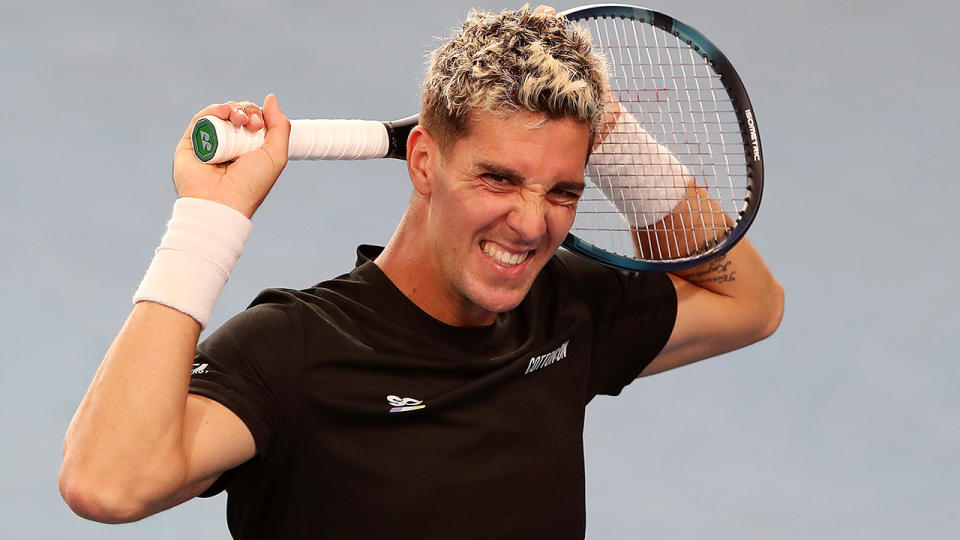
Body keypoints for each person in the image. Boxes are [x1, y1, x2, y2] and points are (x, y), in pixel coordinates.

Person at [59, 5, 783, 539]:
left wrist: (614, 136)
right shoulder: (294, 349)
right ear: (424, 162)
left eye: (563, 189)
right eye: (499, 179)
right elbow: (107, 483)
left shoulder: (565, 308)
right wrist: (207, 222)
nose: (532, 224)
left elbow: (751, 302)